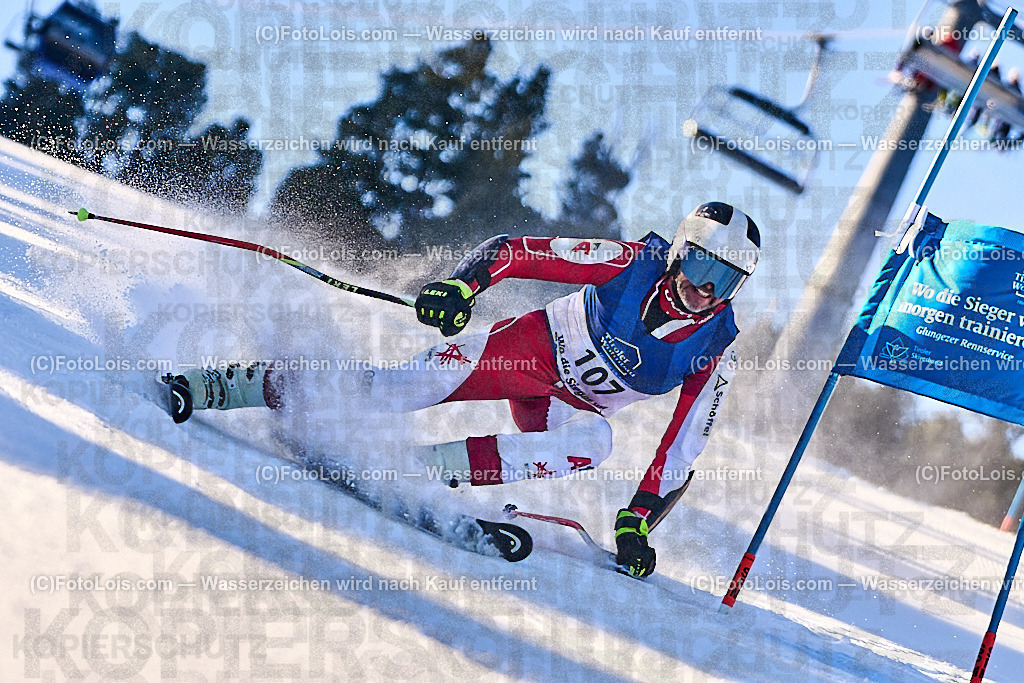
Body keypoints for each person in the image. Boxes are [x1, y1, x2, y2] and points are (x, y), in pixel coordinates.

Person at [169, 201, 761, 578]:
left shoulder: (715, 350)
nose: (707, 291)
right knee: (391, 391)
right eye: (703, 270)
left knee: (595, 442)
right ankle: (218, 385)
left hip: (568, 404)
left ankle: (419, 473)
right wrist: (461, 288)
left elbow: (681, 451)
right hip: (524, 350)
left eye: (727, 281)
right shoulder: (630, 261)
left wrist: (635, 522)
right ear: (680, 254)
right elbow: (517, 251)